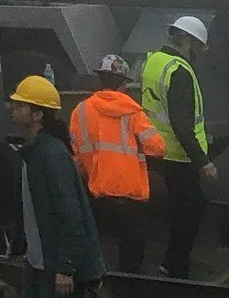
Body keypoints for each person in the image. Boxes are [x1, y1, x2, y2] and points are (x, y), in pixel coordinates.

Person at [8, 72, 105, 298]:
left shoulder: (51, 156)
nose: (13, 108)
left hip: (63, 268)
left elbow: (72, 218)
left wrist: (66, 268)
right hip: (39, 264)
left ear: (37, 114)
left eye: (20, 105)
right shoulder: (33, 152)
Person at [70, 54, 165, 275]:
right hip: (130, 196)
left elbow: (76, 153)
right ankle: (127, 288)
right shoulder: (133, 112)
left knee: (99, 248)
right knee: (131, 255)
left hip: (96, 192)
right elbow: (158, 148)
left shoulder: (80, 111)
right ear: (124, 83)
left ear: (100, 79)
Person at [142, 15, 216, 281]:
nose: (197, 53)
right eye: (197, 47)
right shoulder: (180, 71)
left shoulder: (154, 61)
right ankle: (175, 267)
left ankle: (170, 263)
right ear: (187, 40)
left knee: (183, 207)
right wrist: (203, 161)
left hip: (157, 149)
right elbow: (181, 123)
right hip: (178, 156)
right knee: (191, 209)